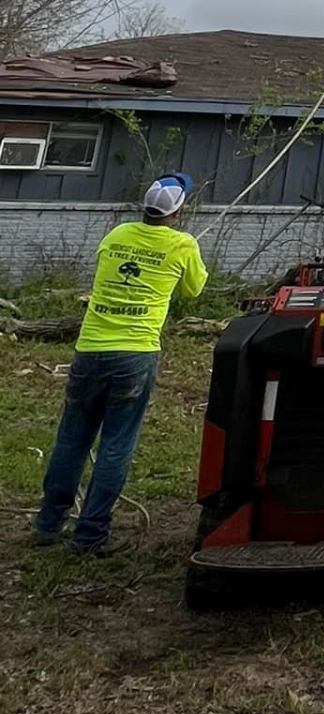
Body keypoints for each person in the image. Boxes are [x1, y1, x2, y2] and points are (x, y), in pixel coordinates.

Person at [34, 173, 209, 555]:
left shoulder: (116, 236)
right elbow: (194, 290)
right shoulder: (183, 244)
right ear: (179, 211)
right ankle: (91, 534)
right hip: (134, 354)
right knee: (116, 443)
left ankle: (48, 523)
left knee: (72, 438)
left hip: (90, 348)